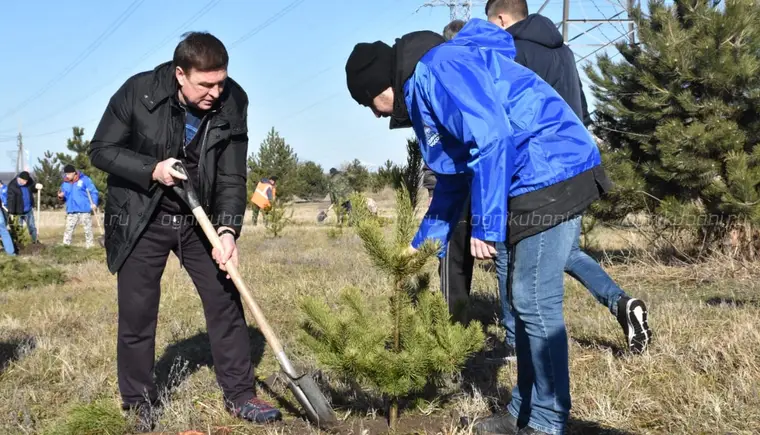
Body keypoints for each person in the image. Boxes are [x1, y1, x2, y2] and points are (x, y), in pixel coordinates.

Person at [345, 18, 611, 435]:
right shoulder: (425, 86)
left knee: (533, 299)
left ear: (380, 87)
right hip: (530, 175)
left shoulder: (439, 68)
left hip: (552, 168)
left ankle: (546, 422)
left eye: (368, 105)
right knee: (522, 300)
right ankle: (523, 410)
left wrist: (485, 227)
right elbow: (452, 180)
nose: (376, 116)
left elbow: (492, 138)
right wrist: (418, 247)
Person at [88, 32, 281, 431]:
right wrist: (151, 169)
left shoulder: (233, 101)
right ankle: (139, 402)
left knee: (226, 300)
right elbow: (101, 150)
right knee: (138, 314)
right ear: (180, 74)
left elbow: (231, 174)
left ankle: (241, 394)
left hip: (201, 219)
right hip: (143, 215)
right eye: (205, 84)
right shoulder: (139, 93)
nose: (215, 91)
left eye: (220, 82)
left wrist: (228, 230)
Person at [485, 0, 652, 357]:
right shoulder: (565, 51)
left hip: (536, 172)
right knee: (568, 252)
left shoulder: (510, 51)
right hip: (576, 168)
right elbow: (583, 111)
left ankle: (515, 343)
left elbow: (506, 117)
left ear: (500, 18)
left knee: (504, 253)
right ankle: (622, 304)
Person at [58, 164, 99, 248]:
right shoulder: (65, 184)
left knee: (88, 230)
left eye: (69, 174)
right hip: (71, 210)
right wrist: (61, 196)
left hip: (84, 209)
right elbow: (64, 198)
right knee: (68, 230)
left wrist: (94, 203)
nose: (67, 176)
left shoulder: (85, 180)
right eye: (66, 174)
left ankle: (90, 247)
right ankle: (65, 247)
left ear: (74, 173)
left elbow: (94, 192)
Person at [6, 171, 39, 244]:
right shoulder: (12, 186)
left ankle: (35, 242)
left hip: (28, 210)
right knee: (19, 229)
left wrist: (37, 187)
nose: (25, 182)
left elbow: (33, 189)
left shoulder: (29, 181)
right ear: (19, 178)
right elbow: (10, 200)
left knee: (32, 227)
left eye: (26, 181)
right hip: (18, 212)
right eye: (24, 181)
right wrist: (11, 212)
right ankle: (20, 244)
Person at [0, 181, 15, 256]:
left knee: (2, 228)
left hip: (3, 208)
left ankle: (10, 252)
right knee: (3, 229)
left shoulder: (5, 188)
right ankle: (11, 253)